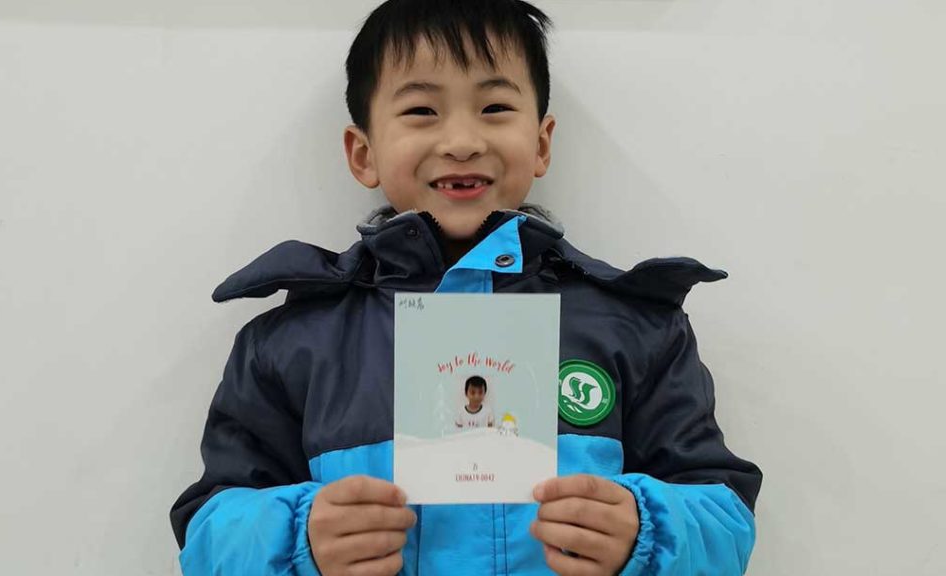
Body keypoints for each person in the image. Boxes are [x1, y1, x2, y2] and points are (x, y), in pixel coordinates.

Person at [170, 0, 763, 574]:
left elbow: (724, 518)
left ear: (541, 143)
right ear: (362, 152)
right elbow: (207, 536)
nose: (461, 140)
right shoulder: (291, 340)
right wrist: (298, 537)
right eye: (422, 111)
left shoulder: (637, 327)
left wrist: (647, 531)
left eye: (495, 107)